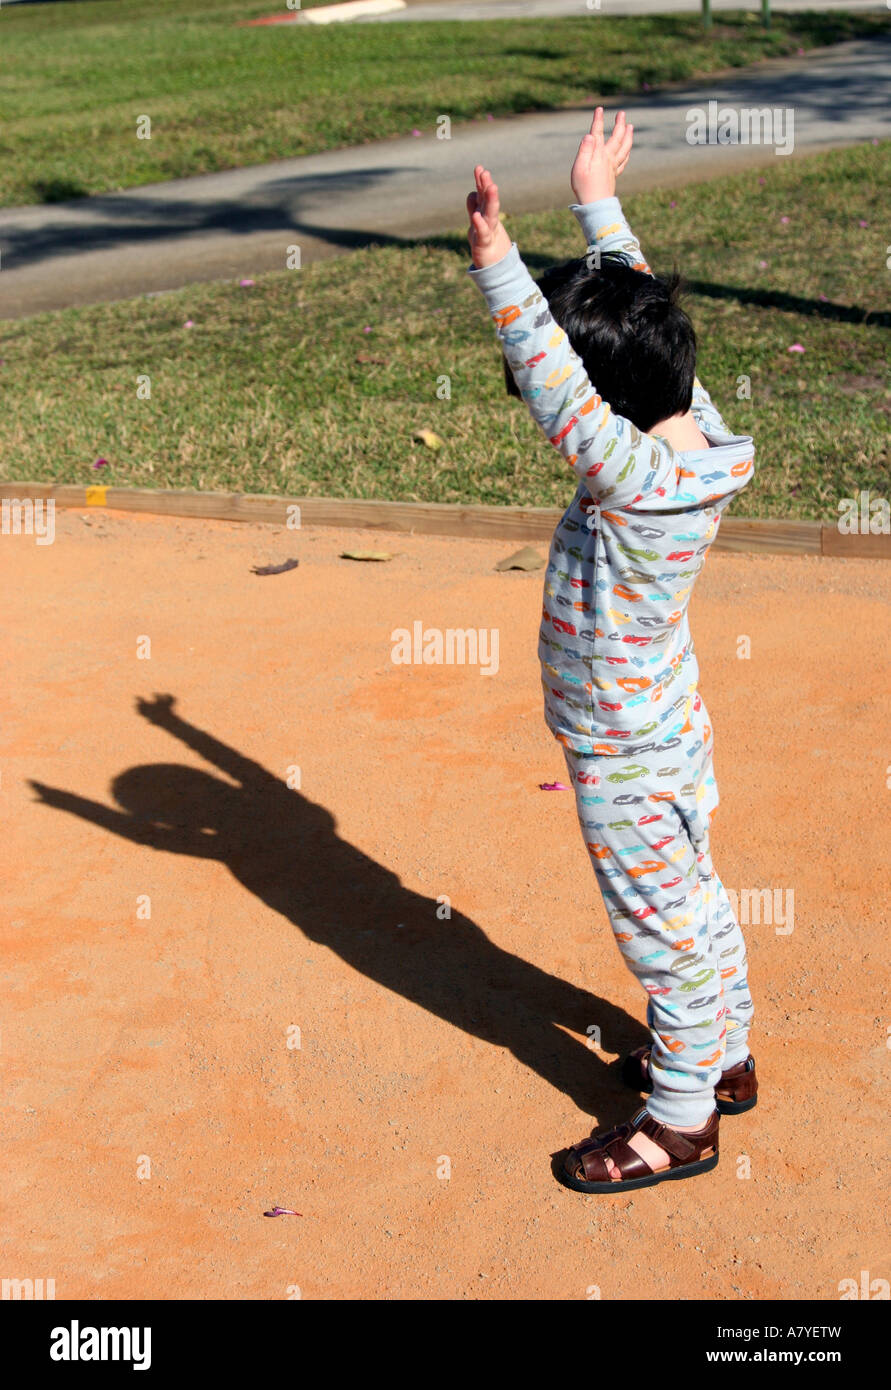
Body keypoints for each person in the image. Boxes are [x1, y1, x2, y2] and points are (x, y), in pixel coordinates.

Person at [465, 108, 757, 1194]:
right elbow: (639, 323)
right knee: (697, 891)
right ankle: (721, 1054)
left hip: (623, 749)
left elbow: (562, 385)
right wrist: (598, 209)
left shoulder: (628, 481)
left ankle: (680, 1119)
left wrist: (500, 265)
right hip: (669, 719)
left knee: (657, 922)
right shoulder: (693, 426)